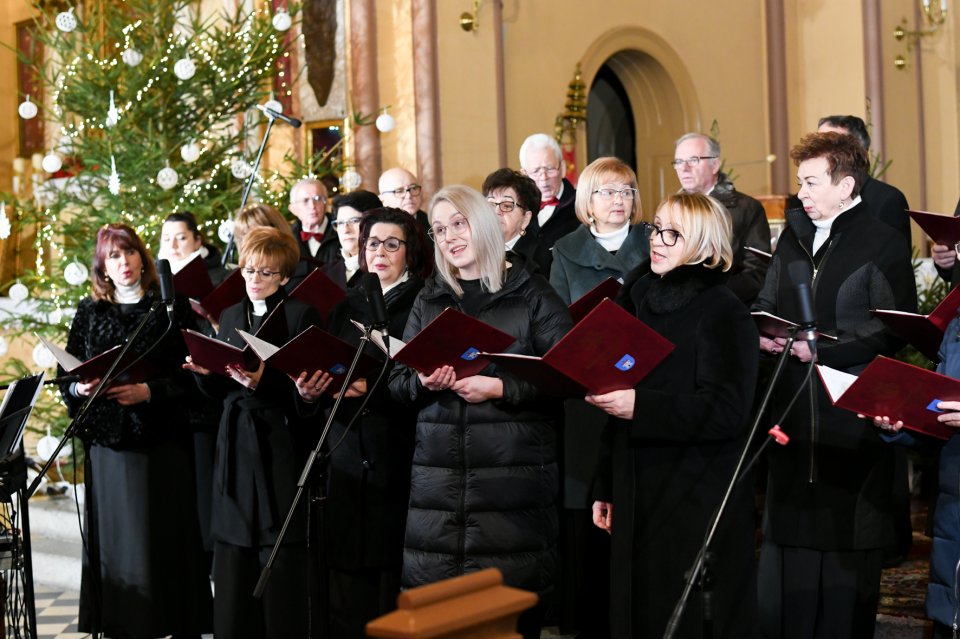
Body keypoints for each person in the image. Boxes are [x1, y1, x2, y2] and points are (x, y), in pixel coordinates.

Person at [388, 185, 572, 639]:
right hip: (439, 496)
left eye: (458, 223)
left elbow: (568, 377)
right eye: (437, 230)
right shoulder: (429, 299)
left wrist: (500, 387)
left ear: (484, 224)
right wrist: (422, 382)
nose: (448, 236)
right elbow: (397, 384)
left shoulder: (531, 294)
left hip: (511, 495)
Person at [753, 132, 917, 638]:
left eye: (810, 181)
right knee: (791, 566)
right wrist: (767, 333)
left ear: (845, 185)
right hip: (793, 411)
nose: (800, 191)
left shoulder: (881, 238)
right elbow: (768, 297)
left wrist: (824, 348)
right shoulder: (795, 235)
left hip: (851, 418)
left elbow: (894, 324)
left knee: (844, 571)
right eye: (799, 180)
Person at [590, 192, 759, 638]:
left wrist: (641, 406)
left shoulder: (724, 311)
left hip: (695, 493)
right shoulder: (638, 295)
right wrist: (605, 485)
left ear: (704, 245)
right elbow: (615, 394)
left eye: (673, 233)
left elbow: (727, 411)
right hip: (634, 480)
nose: (657, 241)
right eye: (656, 227)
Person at [59, 223, 212, 638]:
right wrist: (79, 385)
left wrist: (149, 391)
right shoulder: (90, 311)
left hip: (161, 442)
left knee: (163, 541)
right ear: (102, 267)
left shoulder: (170, 307)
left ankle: (173, 623)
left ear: (142, 258)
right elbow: (65, 376)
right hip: (108, 446)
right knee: (119, 547)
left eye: (128, 253)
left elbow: (197, 377)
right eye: (112, 256)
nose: (122, 262)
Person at [184, 226, 332, 638]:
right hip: (235, 442)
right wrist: (204, 372)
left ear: (284, 277)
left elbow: (305, 390)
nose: (254, 279)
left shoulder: (300, 314)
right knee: (234, 551)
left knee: (277, 551)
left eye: (265, 273)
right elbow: (220, 387)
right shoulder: (231, 314)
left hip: (277, 443)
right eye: (249, 269)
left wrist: (262, 381)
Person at [548, 155, 649, 638]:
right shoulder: (565, 250)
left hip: (641, 382)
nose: (619, 200)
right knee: (587, 507)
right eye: (608, 192)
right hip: (586, 390)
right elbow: (555, 324)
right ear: (587, 200)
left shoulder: (657, 242)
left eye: (626, 191)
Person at [321, 207, 427, 638]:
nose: (379, 252)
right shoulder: (343, 305)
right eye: (371, 243)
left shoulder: (423, 300)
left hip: (396, 447)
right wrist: (311, 388)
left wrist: (374, 389)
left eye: (391, 244)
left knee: (390, 570)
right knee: (346, 577)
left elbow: (424, 380)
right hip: (345, 449)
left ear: (409, 251)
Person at [873, 317, 960, 639]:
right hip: (954, 505)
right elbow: (937, 420)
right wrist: (900, 425)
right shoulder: (957, 328)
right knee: (948, 620)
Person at [673, 132, 771, 303]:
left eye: (693, 160)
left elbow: (757, 272)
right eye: (679, 162)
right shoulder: (671, 210)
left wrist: (711, 295)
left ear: (715, 164)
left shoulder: (746, 208)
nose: (684, 168)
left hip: (726, 306)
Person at [816, 115, 912, 245]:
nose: (817, 152)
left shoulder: (887, 200)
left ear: (858, 152)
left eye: (830, 145)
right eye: (816, 143)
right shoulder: (807, 199)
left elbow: (894, 260)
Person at [482, 167, 552, 275]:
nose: (496, 211)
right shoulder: (474, 250)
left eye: (506, 206)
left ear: (525, 219)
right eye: (490, 204)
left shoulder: (540, 261)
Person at [519, 133, 580, 250]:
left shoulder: (582, 204)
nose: (543, 178)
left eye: (550, 169)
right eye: (536, 171)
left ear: (562, 168)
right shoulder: (516, 209)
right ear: (524, 175)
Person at [289, 177, 341, 287]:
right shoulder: (287, 238)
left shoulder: (341, 231)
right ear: (293, 208)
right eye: (305, 201)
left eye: (317, 199)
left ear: (326, 202)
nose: (312, 206)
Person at [326, 189, 383, 289]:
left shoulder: (384, 268)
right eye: (340, 223)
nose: (346, 230)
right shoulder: (326, 274)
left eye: (354, 221)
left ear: (374, 222)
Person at [158, 210, 230, 283]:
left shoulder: (222, 279)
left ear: (197, 241)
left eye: (181, 238)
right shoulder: (153, 278)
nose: (172, 245)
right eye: (166, 239)